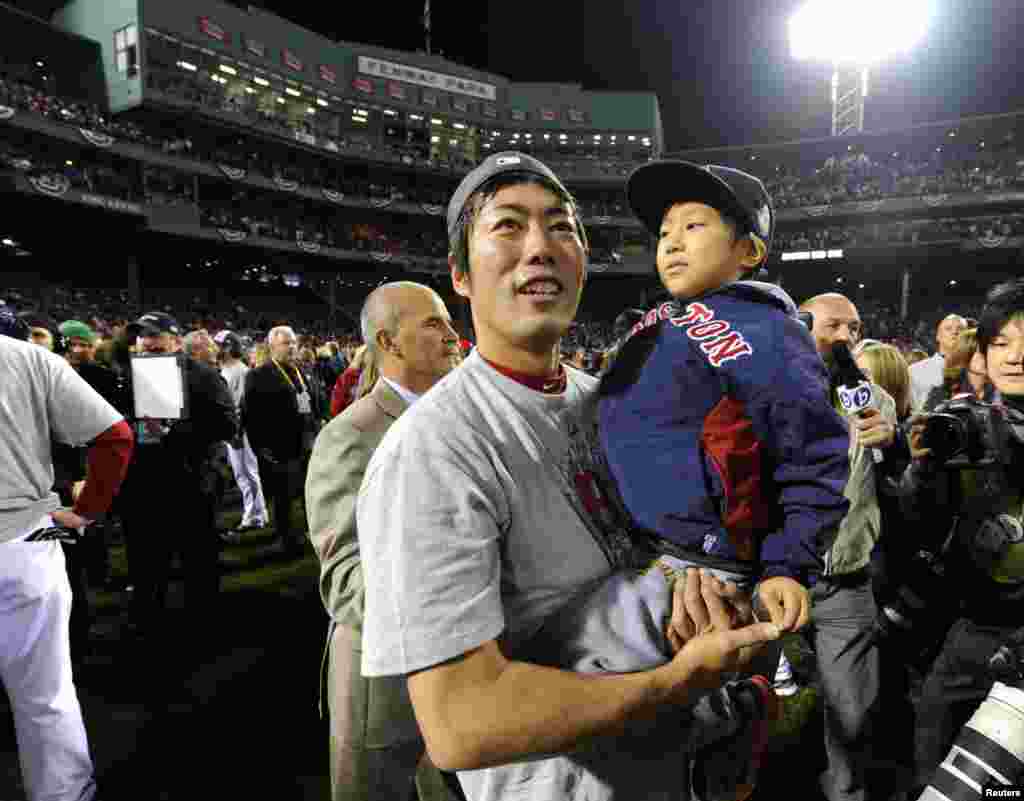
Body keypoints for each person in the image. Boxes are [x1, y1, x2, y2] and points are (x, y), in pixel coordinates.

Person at [357, 152, 783, 801]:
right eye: (507, 226)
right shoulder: (432, 449)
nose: (540, 248)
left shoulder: (614, 401)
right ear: (460, 275)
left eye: (562, 227)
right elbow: (460, 721)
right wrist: (680, 681)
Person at [599, 160, 850, 635]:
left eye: (694, 226)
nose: (672, 241)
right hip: (627, 541)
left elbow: (814, 454)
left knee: (650, 696)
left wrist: (787, 564)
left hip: (696, 568)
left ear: (749, 249)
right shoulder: (658, 320)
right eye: (665, 231)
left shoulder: (771, 332)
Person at [306, 282, 462, 801]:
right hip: (386, 681)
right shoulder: (350, 435)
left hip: (467, 670)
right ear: (389, 343)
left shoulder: (466, 417)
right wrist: (463, 588)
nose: (453, 334)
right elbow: (345, 580)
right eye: (434, 323)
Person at [0, 307, 134, 801]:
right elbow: (116, 437)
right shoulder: (31, 359)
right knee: (45, 694)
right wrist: (88, 510)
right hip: (21, 543)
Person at [902, 279, 1024, 794]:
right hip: (972, 628)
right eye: (1001, 343)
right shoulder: (964, 422)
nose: (1015, 357)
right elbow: (920, 524)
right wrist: (923, 473)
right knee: (933, 765)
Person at [800, 293, 910, 801]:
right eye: (833, 326)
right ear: (801, 327)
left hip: (845, 579)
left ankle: (847, 794)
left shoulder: (876, 403)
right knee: (737, 704)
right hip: (771, 576)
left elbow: (901, 490)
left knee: (853, 713)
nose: (845, 337)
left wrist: (894, 448)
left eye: (854, 327)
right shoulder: (767, 394)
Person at [117, 311, 238, 639]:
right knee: (146, 563)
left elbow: (228, 425)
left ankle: (202, 627)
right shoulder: (128, 375)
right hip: (144, 486)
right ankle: (147, 626)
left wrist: (174, 431)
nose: (146, 341)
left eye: (153, 335)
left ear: (174, 339)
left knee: (198, 562)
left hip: (192, 484)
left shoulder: (202, 375)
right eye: (141, 336)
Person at [242, 325, 323, 556]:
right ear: (272, 347)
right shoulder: (258, 375)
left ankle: (312, 533)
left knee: (311, 494)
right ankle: (286, 540)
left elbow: (317, 401)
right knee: (283, 499)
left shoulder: (304, 371)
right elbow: (251, 417)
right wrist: (261, 449)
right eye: (286, 343)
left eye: (294, 343)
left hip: (309, 445)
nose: (292, 347)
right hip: (280, 449)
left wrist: (320, 422)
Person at [216, 330, 267, 539]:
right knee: (242, 473)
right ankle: (256, 513)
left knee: (247, 472)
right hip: (235, 430)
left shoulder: (239, 371)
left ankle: (255, 516)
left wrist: (236, 432)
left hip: (241, 430)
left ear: (228, 347)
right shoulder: (227, 369)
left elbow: (243, 407)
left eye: (219, 345)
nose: (215, 349)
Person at [909, 314, 966, 411]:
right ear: (938, 336)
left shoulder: (975, 373)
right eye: (948, 328)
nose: (955, 332)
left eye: (960, 329)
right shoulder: (915, 370)